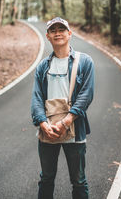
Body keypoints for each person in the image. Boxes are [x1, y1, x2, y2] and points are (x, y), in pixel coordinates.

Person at [31, 17, 94, 199]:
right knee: (46, 179)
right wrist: (43, 123)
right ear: (48, 36)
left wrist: (66, 122)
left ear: (69, 34)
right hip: (48, 129)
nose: (57, 32)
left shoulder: (84, 62)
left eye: (61, 29)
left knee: (79, 181)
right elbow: (37, 98)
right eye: (53, 30)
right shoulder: (43, 66)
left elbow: (86, 95)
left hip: (75, 130)